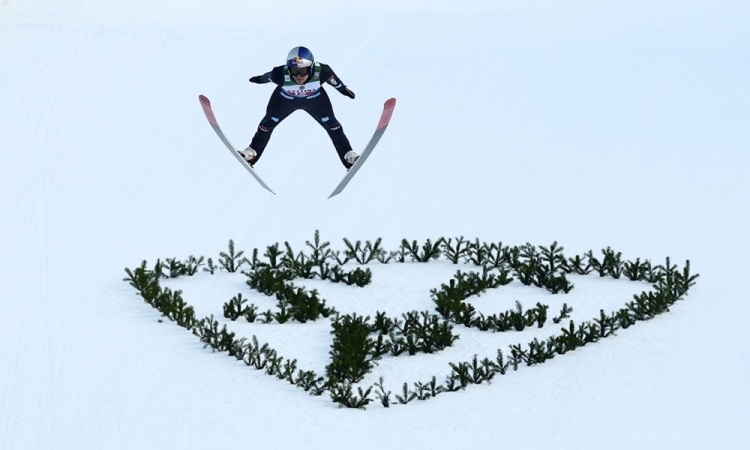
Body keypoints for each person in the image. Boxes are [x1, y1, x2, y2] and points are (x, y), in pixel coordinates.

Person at [240, 46, 359, 169]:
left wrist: (344, 90)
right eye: (294, 71)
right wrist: (259, 80)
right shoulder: (279, 74)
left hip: (315, 101)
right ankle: (251, 153)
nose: (298, 76)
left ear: (311, 67)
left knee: (333, 125)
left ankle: (348, 155)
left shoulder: (323, 71)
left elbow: (335, 82)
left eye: (303, 71)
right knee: (266, 124)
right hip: (285, 101)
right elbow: (267, 77)